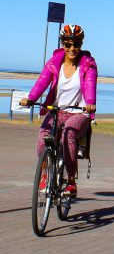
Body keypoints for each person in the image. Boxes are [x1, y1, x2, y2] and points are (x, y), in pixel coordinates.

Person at [20, 24, 97, 200]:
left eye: (76, 44)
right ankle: (46, 173)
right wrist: (31, 98)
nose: (72, 48)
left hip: (79, 113)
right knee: (42, 140)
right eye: (68, 44)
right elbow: (42, 81)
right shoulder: (54, 63)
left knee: (68, 134)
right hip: (56, 111)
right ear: (62, 44)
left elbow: (90, 85)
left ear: (81, 44)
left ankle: (70, 180)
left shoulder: (88, 65)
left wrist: (90, 103)